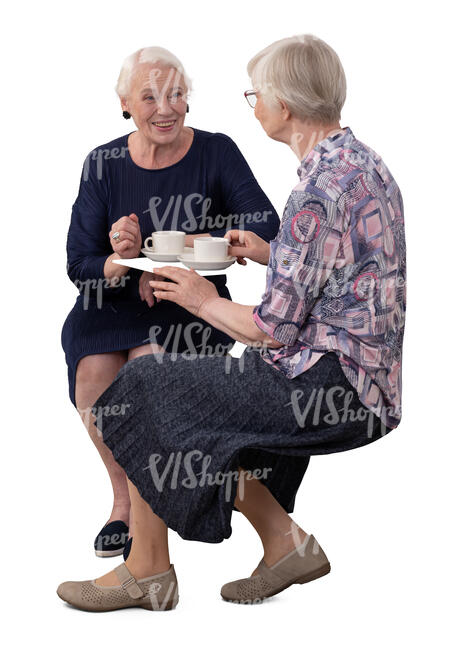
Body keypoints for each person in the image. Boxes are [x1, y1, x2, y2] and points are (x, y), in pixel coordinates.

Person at [57, 34, 406, 611]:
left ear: (286, 105)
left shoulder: (318, 189)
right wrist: (272, 252)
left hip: (328, 382)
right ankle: (283, 543)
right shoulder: (361, 164)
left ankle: (146, 570)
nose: (254, 105)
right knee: (178, 398)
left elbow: (272, 330)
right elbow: (341, 269)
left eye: (257, 94)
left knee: (149, 386)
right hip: (366, 379)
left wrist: (197, 296)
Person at [61, 46, 279, 558]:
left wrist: (184, 247)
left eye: (177, 94)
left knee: (146, 368)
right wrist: (121, 258)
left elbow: (266, 223)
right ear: (124, 104)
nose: (166, 108)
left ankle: (149, 524)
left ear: (189, 100)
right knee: (92, 371)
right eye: (150, 96)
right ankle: (122, 502)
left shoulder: (217, 151)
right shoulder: (104, 162)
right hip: (112, 304)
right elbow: (78, 265)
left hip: (189, 304)